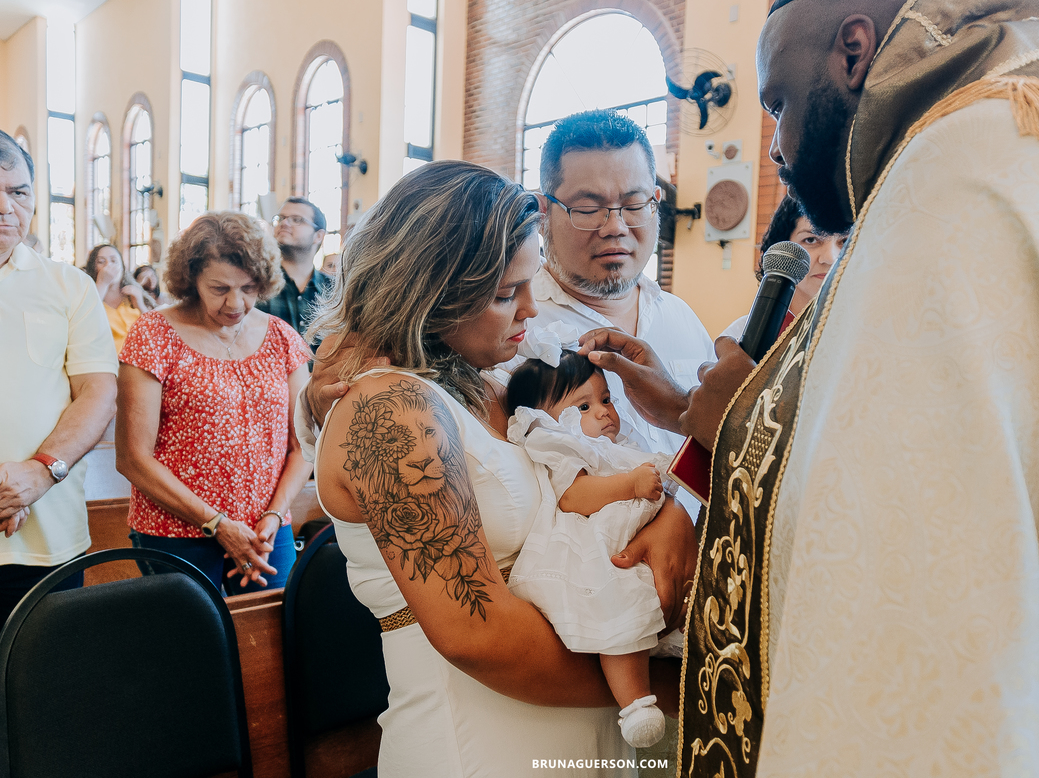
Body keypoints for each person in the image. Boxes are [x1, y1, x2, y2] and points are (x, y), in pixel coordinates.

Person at [591, 0, 1039, 775]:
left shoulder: (955, 175)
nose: (773, 144)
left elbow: (898, 563)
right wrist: (713, 418)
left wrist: (734, 422)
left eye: (777, 102)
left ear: (852, 50)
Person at [304, 160, 697, 776]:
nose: (532, 310)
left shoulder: (494, 382)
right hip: (480, 743)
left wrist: (666, 511)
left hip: (589, 732)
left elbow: (585, 474)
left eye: (529, 282)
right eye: (504, 293)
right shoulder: (390, 409)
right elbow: (474, 634)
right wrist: (666, 690)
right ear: (428, 290)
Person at [115, 211, 311, 593]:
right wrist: (217, 524)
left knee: (270, 645)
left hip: (265, 531)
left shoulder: (283, 338)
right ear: (191, 280)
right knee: (190, 649)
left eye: (249, 287)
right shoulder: (153, 334)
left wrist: (272, 516)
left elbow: (303, 445)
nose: (236, 303)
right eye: (219, 288)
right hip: (175, 530)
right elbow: (132, 458)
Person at [517, 110, 715, 475]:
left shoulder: (680, 316)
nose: (615, 227)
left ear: (656, 202)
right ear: (543, 213)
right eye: (588, 209)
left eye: (634, 205)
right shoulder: (518, 329)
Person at [505, 348, 677, 749]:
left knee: (650, 598)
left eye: (606, 399)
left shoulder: (614, 446)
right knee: (617, 611)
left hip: (632, 533)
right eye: (584, 404)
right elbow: (574, 495)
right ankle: (635, 701)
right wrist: (631, 485)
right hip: (596, 544)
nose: (603, 412)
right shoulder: (559, 445)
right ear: (546, 417)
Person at [0, 129, 117, 622]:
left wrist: (38, 472)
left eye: (18, 192)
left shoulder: (68, 285)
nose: (6, 208)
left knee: (42, 692)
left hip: (48, 537)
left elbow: (97, 391)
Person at [720, 195, 847, 340]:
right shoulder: (739, 337)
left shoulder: (869, 335)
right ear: (784, 248)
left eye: (845, 241)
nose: (830, 258)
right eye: (811, 240)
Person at [257, 197, 332, 336]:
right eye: (280, 218)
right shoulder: (257, 282)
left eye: (297, 219)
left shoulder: (334, 290)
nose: (284, 223)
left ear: (319, 236)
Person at [84, 243, 148, 352]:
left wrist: (140, 305)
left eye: (114, 261)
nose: (109, 266)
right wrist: (102, 284)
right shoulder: (87, 296)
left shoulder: (133, 296)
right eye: (101, 262)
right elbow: (84, 325)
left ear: (122, 267)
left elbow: (154, 332)